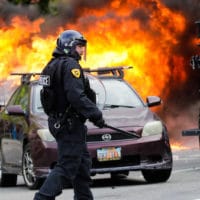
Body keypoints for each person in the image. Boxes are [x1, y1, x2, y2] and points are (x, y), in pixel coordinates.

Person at [34, 30, 105, 200]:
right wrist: (96, 115)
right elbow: (76, 96)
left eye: (82, 47)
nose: (82, 50)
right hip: (69, 124)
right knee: (67, 166)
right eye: (79, 46)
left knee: (82, 165)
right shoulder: (71, 66)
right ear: (68, 47)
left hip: (60, 121)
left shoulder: (51, 65)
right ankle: (42, 198)